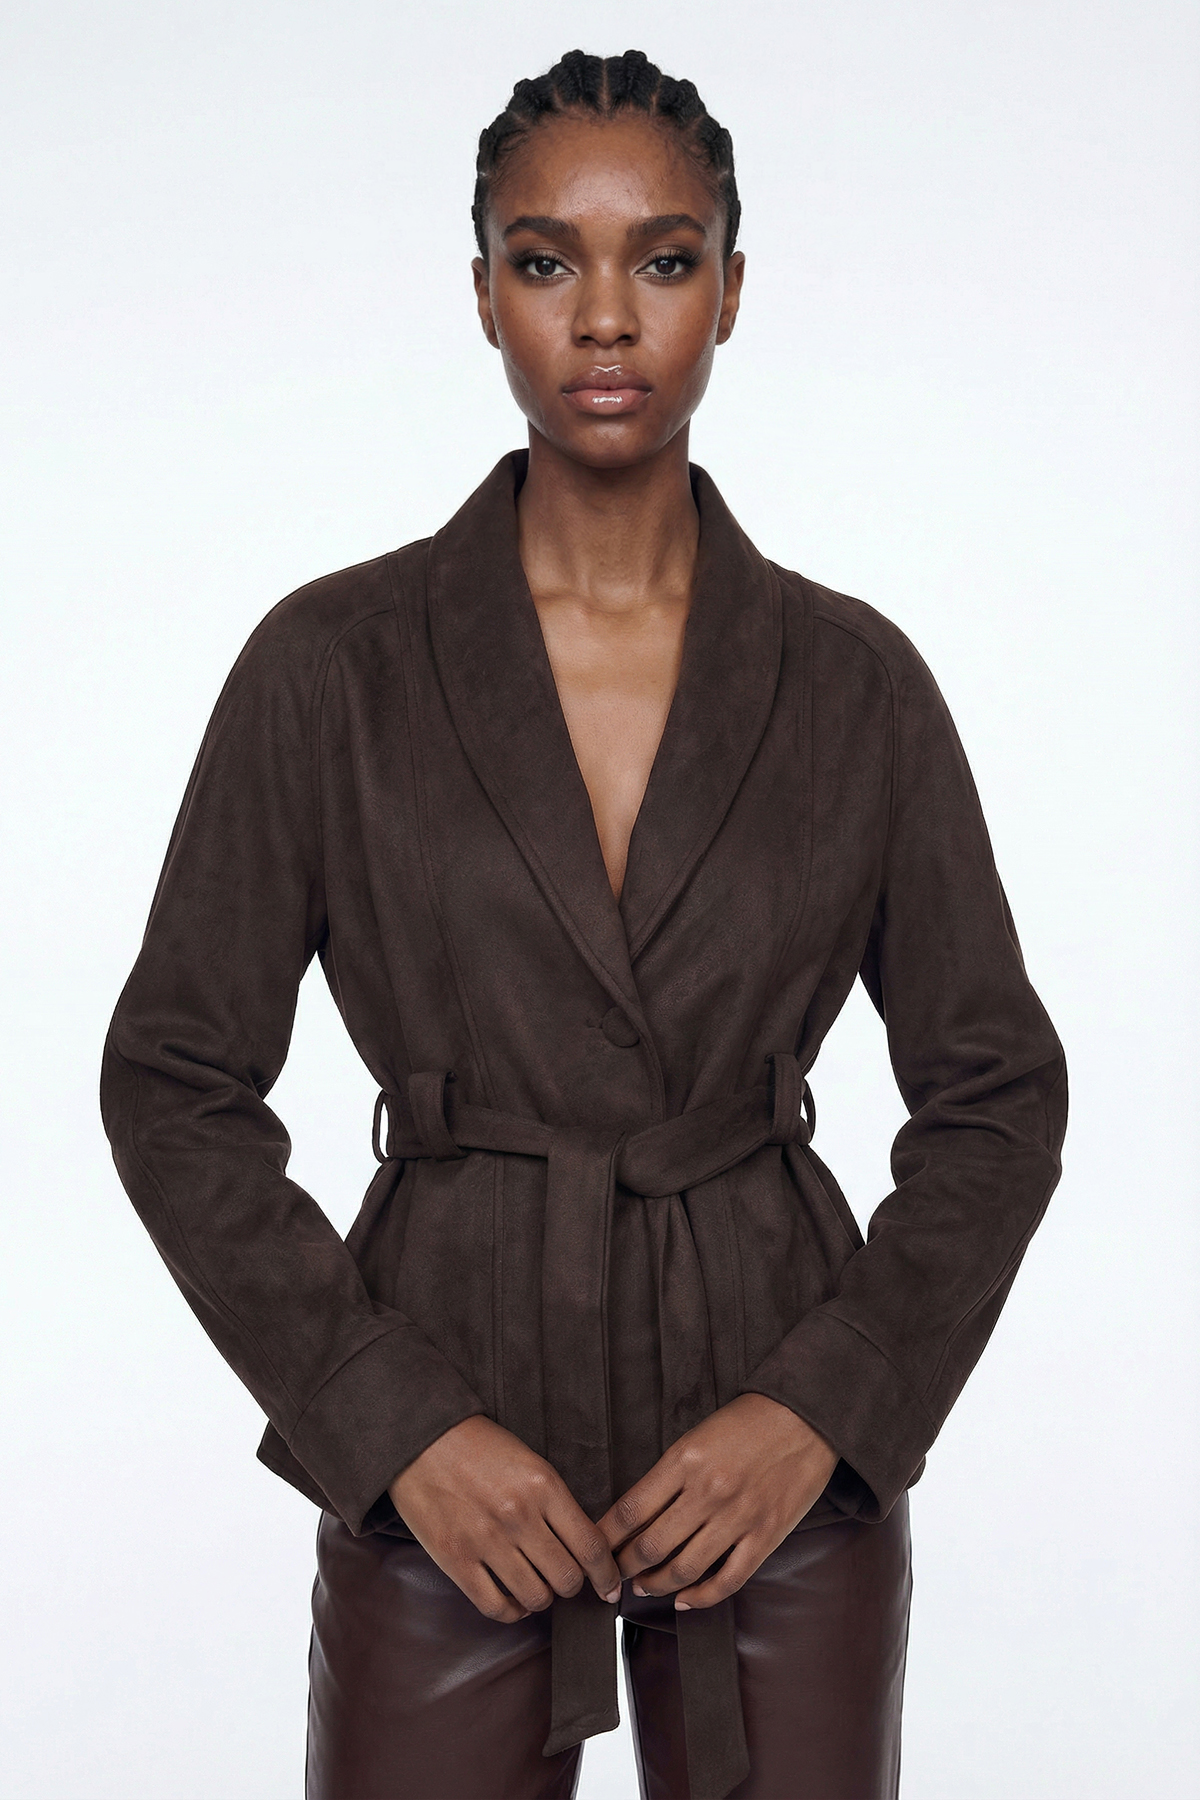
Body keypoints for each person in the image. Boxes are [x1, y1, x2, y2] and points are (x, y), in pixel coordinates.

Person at [100, 47, 1068, 1800]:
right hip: (448, 1419)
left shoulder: (855, 686)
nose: (606, 316)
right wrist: (388, 1420)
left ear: (733, 290)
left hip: (771, 1437)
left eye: (664, 260)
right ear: (482, 293)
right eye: (546, 260)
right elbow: (174, 1081)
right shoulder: (332, 669)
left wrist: (828, 1405)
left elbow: (997, 1095)